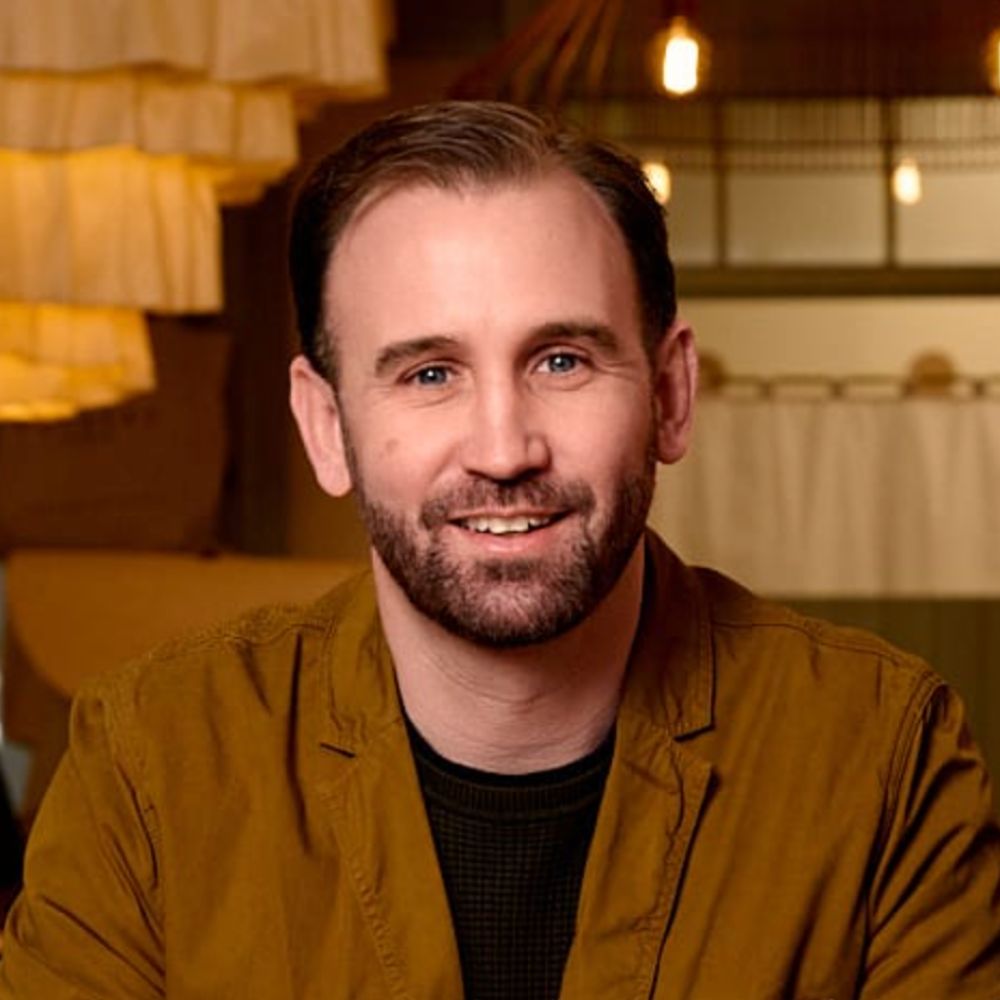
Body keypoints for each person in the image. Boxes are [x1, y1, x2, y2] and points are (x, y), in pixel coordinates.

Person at [1, 101, 998, 999]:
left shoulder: (882, 755)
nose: (502, 449)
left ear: (669, 393)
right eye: (429, 373)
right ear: (324, 425)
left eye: (561, 359)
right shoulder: (148, 766)